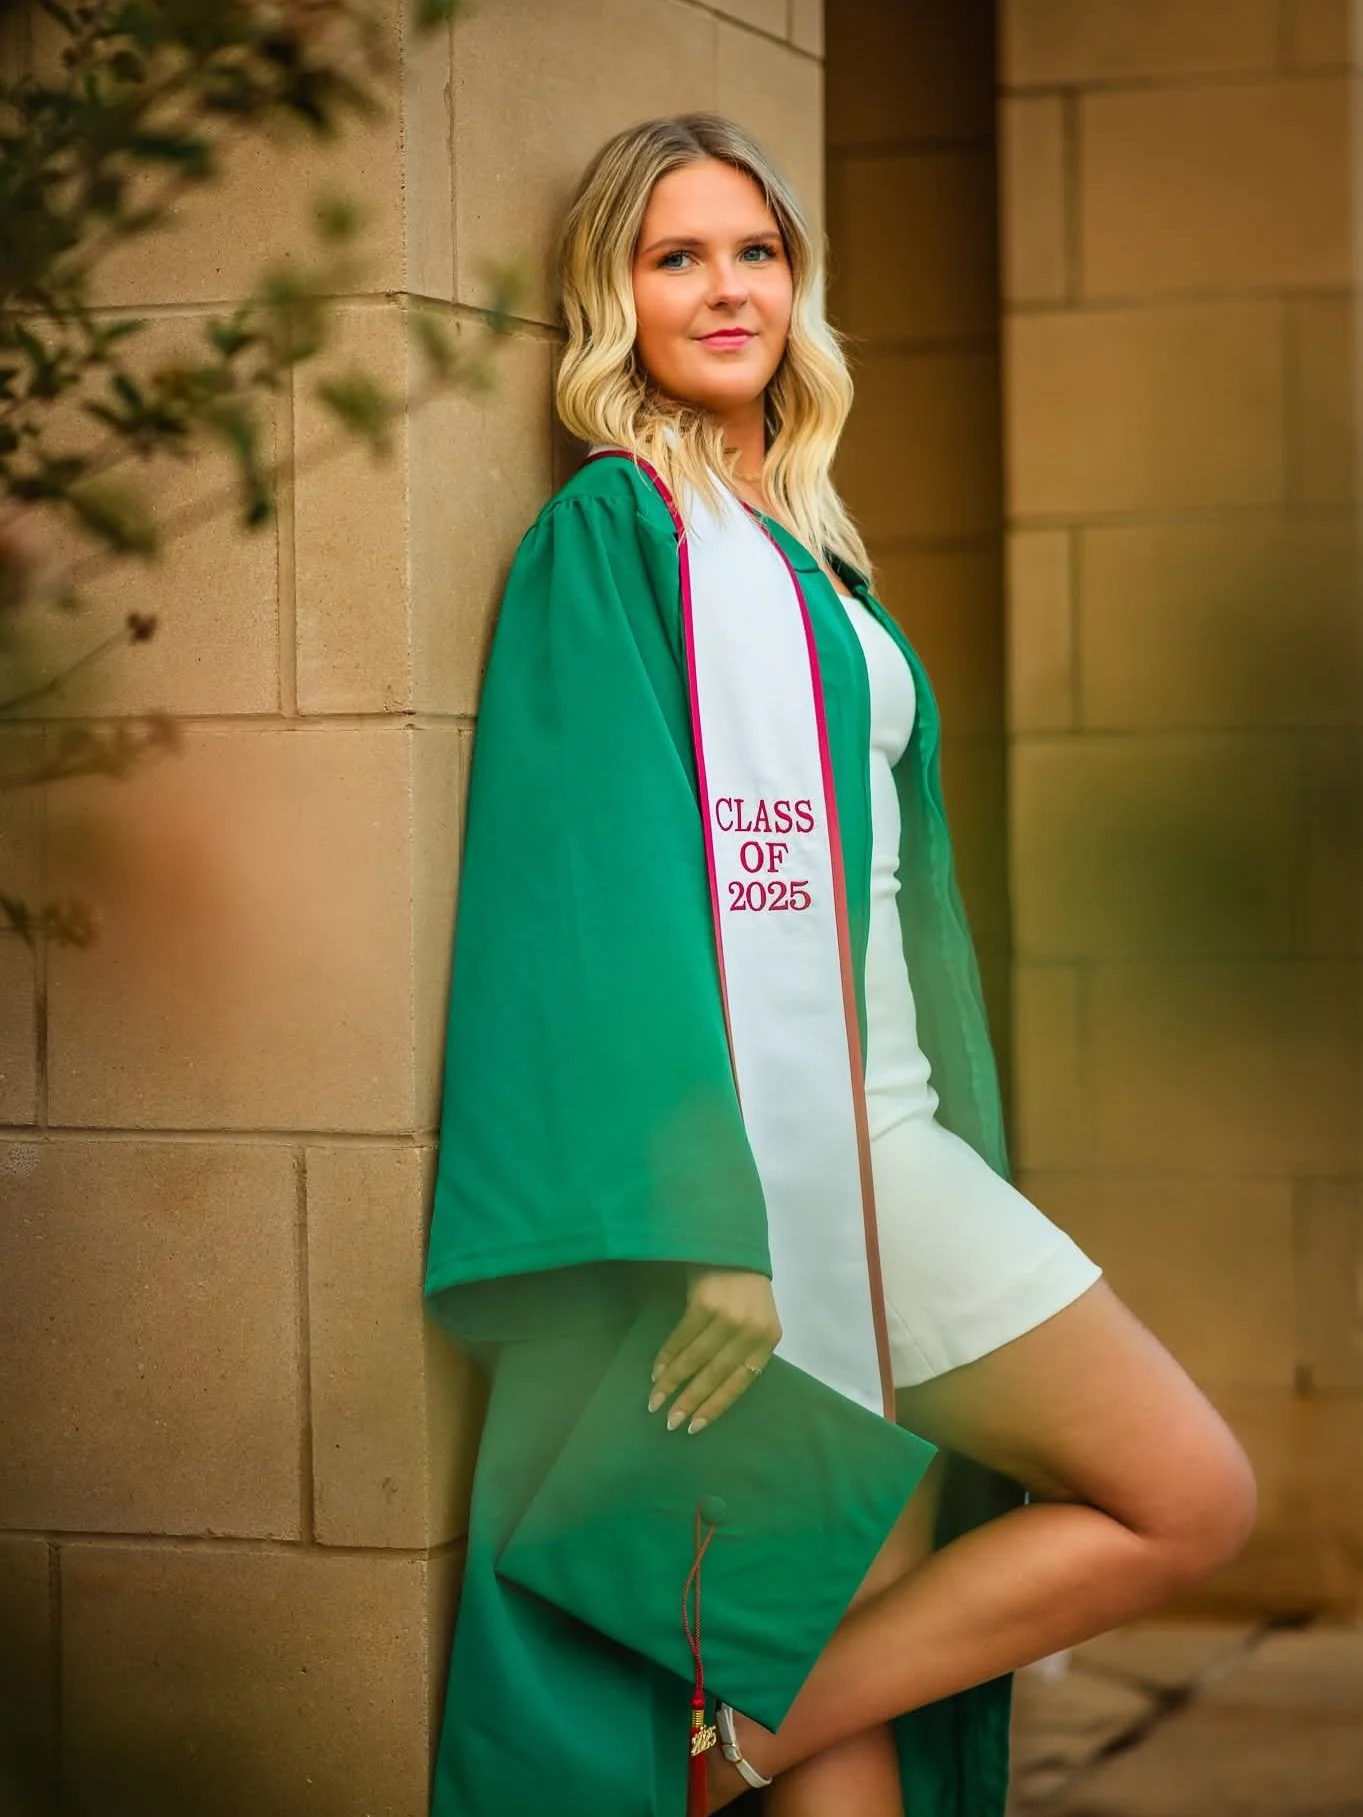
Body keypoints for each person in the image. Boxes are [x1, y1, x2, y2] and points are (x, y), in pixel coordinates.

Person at [423, 112, 1257, 1817]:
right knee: (1189, 1494)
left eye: (757, 253)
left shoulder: (798, 544)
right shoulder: (618, 535)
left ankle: (735, 1740)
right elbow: (604, 886)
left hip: (885, 1134)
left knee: (836, 1603)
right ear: (613, 298)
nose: (725, 288)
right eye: (676, 258)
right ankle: (745, 1740)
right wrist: (709, 1219)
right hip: (797, 1173)